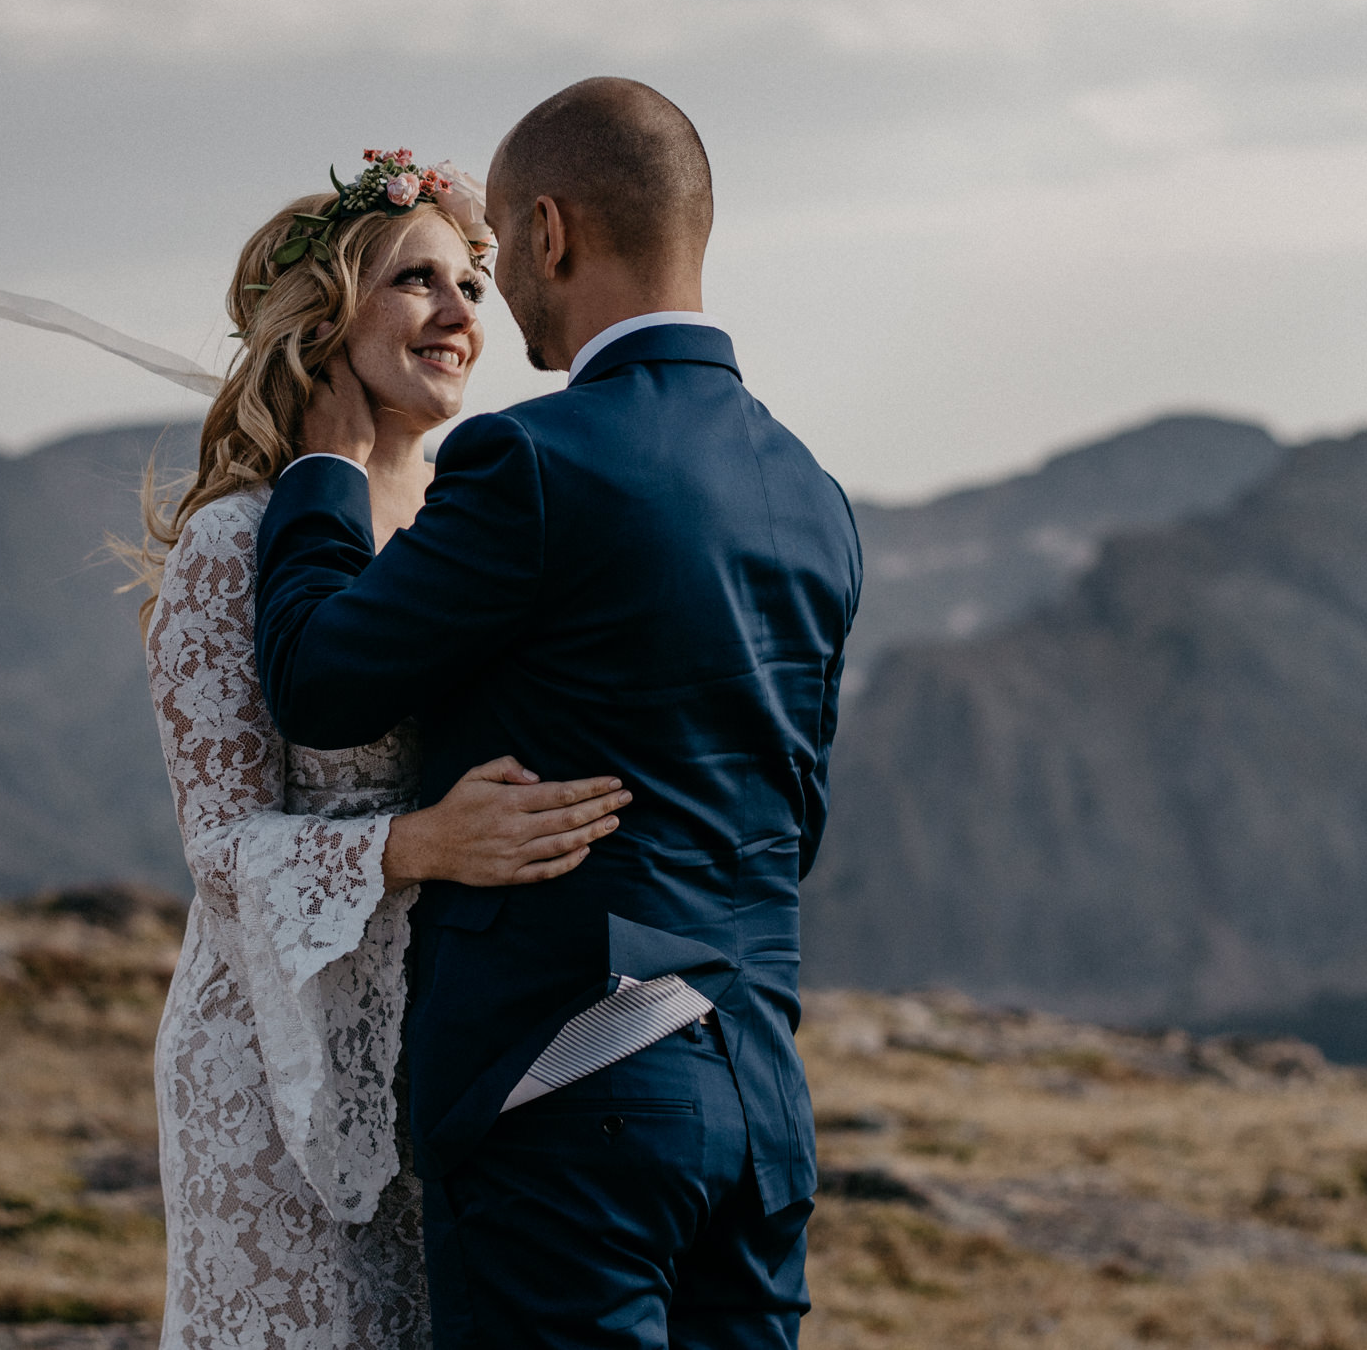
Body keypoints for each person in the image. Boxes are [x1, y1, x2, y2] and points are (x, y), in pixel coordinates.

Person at [255, 82, 863, 1349]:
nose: (486, 302)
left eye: (494, 265)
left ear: (548, 231)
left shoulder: (536, 460)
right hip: (758, 1095)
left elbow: (318, 680)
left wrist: (320, 466)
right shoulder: (811, 493)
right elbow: (788, 820)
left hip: (568, 1084)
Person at [123, 154, 635, 1350]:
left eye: (472, 281)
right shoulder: (233, 543)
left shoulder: (479, 519)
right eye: (417, 281)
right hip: (272, 1058)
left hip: (453, 1041)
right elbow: (222, 847)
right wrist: (423, 843)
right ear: (325, 317)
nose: (460, 313)